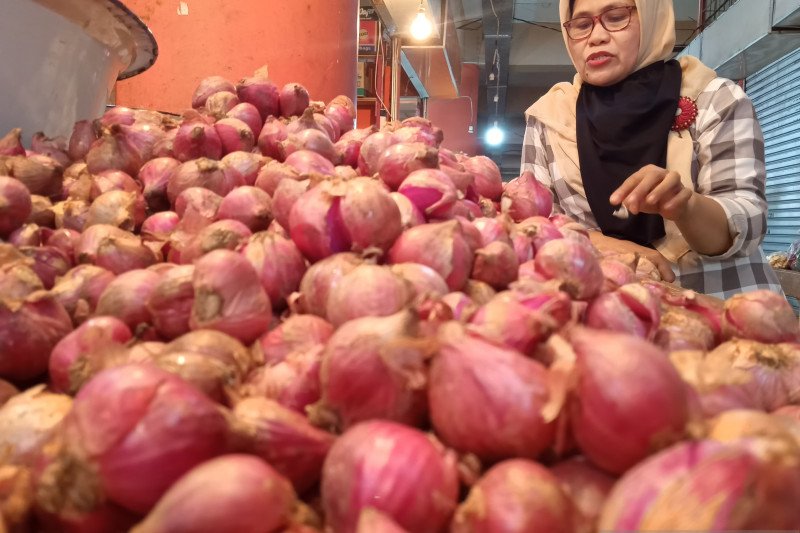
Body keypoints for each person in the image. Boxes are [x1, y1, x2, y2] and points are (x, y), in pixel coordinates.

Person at [521, 0, 783, 299]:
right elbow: (536, 226)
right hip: (610, 319)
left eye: (616, 17)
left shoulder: (714, 98)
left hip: (724, 310)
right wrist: (614, 247)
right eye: (581, 25)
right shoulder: (550, 117)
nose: (596, 37)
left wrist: (686, 207)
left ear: (652, 17)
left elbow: (748, 221)